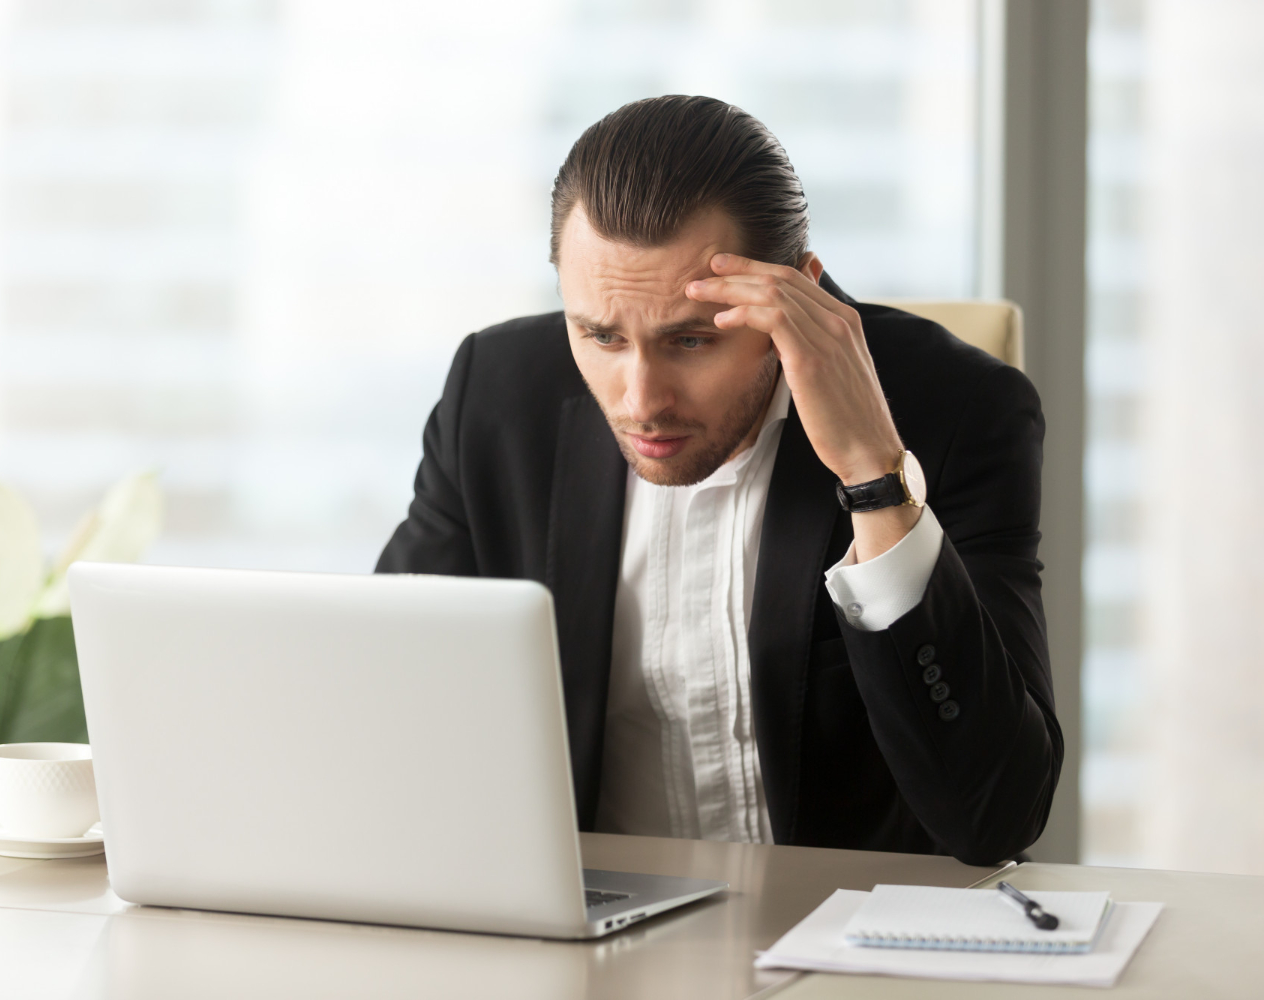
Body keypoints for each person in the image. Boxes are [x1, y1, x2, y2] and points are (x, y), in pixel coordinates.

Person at [377, 95, 1061, 866]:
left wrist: (874, 479)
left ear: (794, 295)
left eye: (692, 339)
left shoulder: (958, 410)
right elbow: (386, 708)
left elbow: (996, 815)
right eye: (600, 335)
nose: (640, 402)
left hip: (848, 947)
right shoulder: (496, 398)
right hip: (588, 940)